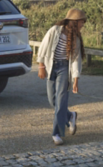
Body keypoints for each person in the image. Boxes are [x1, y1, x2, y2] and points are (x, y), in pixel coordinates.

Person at [36, 8, 86, 146]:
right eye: (82, 22)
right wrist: (41, 67)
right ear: (74, 22)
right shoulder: (55, 30)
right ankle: (70, 116)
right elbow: (44, 47)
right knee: (53, 101)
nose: (83, 24)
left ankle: (56, 133)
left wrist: (76, 80)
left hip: (65, 69)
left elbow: (76, 60)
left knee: (61, 101)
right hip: (52, 66)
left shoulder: (76, 38)